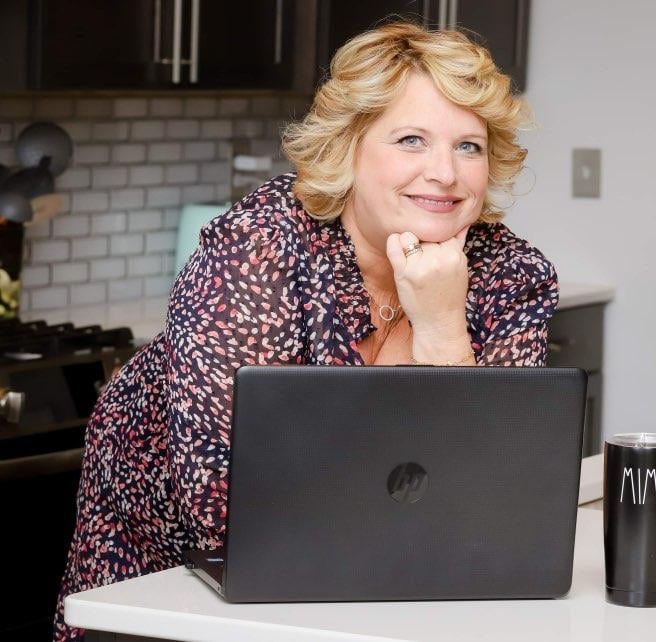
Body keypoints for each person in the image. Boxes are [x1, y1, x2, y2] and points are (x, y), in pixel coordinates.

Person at [54, 21, 557, 641]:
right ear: (349, 149)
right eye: (411, 139)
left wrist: (442, 326)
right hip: (167, 595)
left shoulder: (513, 274)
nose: (445, 174)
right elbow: (231, 514)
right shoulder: (256, 251)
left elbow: (495, 517)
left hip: (377, 598)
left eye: (468, 147)